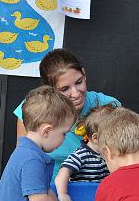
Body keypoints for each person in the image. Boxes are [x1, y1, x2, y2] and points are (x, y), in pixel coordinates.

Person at [14, 49, 121, 179]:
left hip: (96, 186)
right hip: (48, 187)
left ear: (84, 74)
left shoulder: (109, 106)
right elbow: (24, 161)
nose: (76, 93)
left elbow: (123, 158)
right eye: (65, 89)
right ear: (50, 90)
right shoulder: (31, 109)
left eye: (79, 82)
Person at [55, 104, 116, 201]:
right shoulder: (81, 155)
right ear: (96, 138)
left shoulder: (109, 154)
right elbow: (63, 172)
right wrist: (62, 193)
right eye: (113, 136)